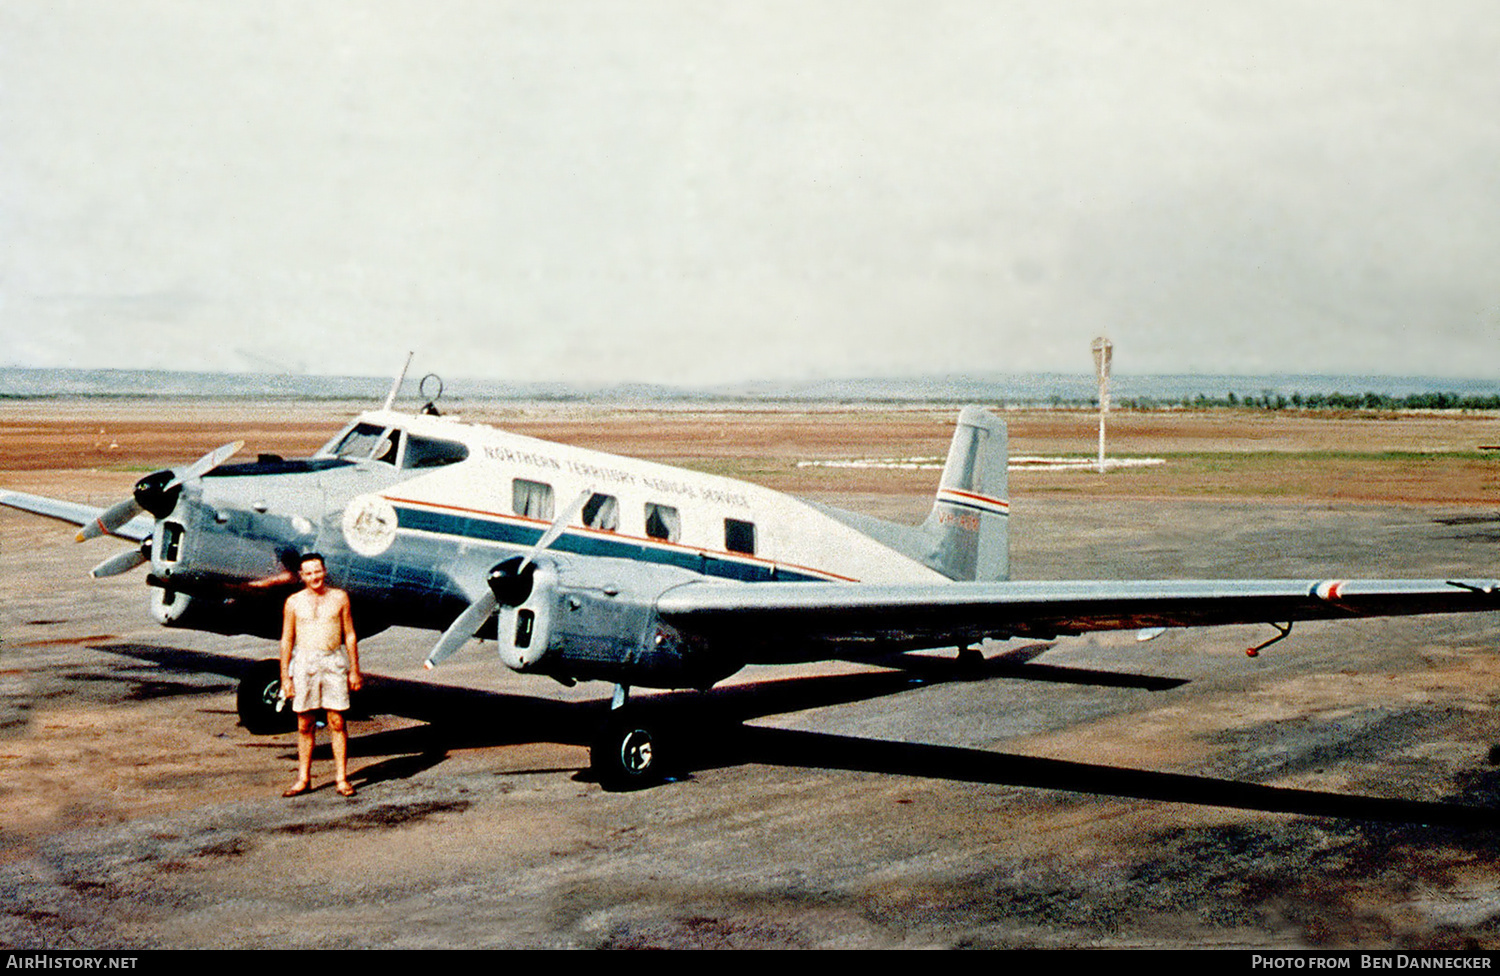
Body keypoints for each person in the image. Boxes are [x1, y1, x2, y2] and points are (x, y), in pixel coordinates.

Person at [279, 552, 363, 797]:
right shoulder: (293, 602)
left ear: (324, 571)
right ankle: (303, 779)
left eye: (318, 571)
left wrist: (354, 670)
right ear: (301, 576)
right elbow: (286, 640)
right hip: (304, 662)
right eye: (309, 573)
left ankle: (341, 778)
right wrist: (285, 677)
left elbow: (349, 635)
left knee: (337, 721)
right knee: (304, 723)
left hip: (333, 661)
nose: (314, 576)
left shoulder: (340, 598)